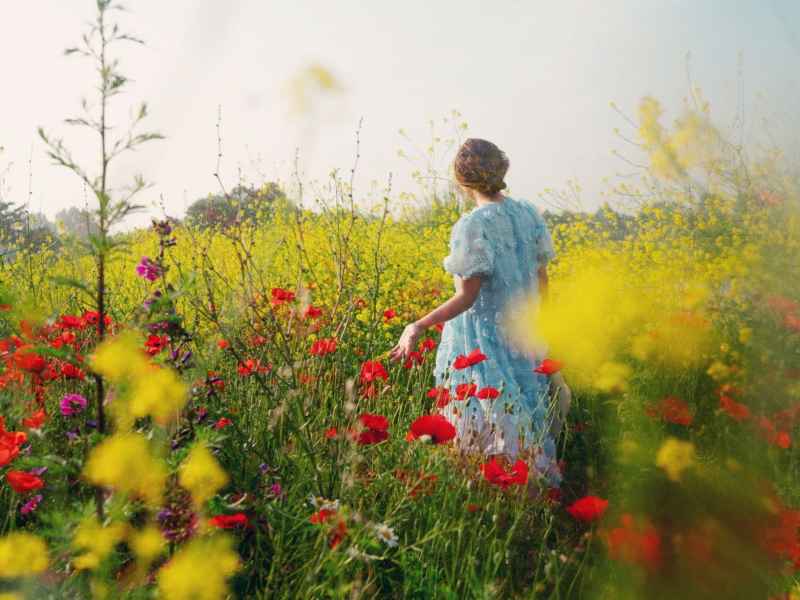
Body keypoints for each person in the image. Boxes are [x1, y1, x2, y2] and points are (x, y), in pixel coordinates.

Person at [389, 138, 569, 487]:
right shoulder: (528, 215)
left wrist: (417, 325)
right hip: (524, 337)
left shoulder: (473, 225)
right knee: (523, 423)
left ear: (462, 181)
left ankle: (494, 505)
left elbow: (466, 297)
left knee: (491, 427)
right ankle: (530, 506)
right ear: (501, 169)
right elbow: (542, 282)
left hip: (483, 342)